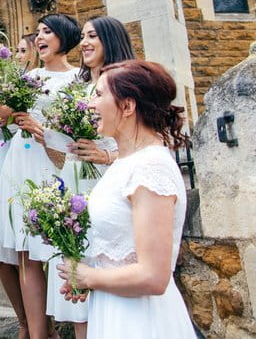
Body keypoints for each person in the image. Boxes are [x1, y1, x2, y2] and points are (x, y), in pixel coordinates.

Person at [56, 60, 195, 339]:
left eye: (98, 95)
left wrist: (89, 277)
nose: (89, 104)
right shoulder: (125, 162)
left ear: (128, 107)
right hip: (113, 307)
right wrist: (87, 275)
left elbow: (154, 277)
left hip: (141, 320)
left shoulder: (150, 167)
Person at [0, 13, 81, 339]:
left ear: (64, 38)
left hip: (54, 167)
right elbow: (0, 113)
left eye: (47, 32)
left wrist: (44, 131)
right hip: (21, 164)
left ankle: (71, 322)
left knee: (57, 248)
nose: (39, 37)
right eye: (38, 32)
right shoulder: (30, 77)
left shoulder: (79, 80)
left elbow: (81, 131)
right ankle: (39, 334)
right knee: (26, 254)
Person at [45, 16, 135, 339]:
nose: (83, 43)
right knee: (77, 272)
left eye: (92, 36)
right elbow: (60, 146)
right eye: (82, 36)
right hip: (76, 183)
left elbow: (141, 141)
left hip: (107, 182)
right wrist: (46, 132)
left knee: (104, 271)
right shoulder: (78, 88)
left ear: (110, 40)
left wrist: (106, 156)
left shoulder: (126, 83)